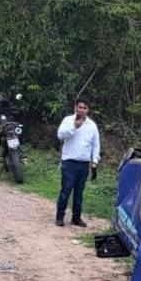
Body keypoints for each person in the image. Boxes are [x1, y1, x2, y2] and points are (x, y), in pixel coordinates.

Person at [55, 95, 100, 227]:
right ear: (75, 107)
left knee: (79, 192)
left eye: (84, 108)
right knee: (66, 190)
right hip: (69, 162)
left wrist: (95, 162)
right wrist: (74, 127)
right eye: (80, 107)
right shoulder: (68, 120)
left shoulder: (92, 126)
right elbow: (60, 135)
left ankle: (76, 218)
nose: (82, 110)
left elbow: (96, 145)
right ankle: (60, 217)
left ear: (88, 110)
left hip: (83, 164)